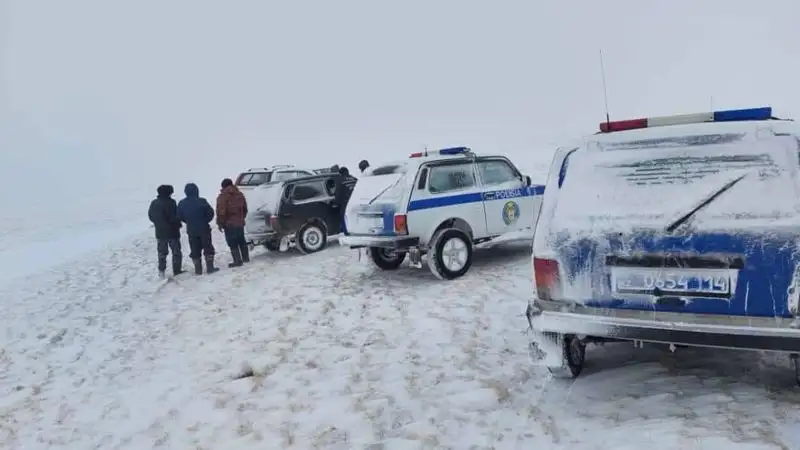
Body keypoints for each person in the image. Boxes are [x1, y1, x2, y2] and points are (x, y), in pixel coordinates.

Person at [177, 183, 219, 275]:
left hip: (191, 229)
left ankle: (198, 270)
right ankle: (210, 268)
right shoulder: (202, 201)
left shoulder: (182, 203)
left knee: (195, 249)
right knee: (208, 247)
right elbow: (210, 213)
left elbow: (179, 216)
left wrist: (189, 221)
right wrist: (205, 220)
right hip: (204, 228)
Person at [147, 184, 184, 277]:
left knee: (162, 253)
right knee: (176, 252)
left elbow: (151, 216)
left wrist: (158, 223)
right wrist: (178, 224)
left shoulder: (154, 203)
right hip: (172, 232)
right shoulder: (171, 202)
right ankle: (177, 270)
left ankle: (161, 270)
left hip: (160, 232)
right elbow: (174, 217)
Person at [216, 178, 250, 267]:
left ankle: (237, 261)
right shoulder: (240, 194)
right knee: (241, 240)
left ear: (223, 186)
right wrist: (241, 218)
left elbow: (221, 212)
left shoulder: (222, 197)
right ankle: (246, 258)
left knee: (232, 242)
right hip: (240, 223)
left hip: (229, 224)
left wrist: (220, 223)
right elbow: (245, 209)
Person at [336, 167, 358, 233]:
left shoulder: (341, 181)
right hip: (356, 201)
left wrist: (336, 203)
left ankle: (345, 231)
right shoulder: (355, 179)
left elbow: (338, 194)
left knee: (343, 216)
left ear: (341, 173)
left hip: (346, 203)